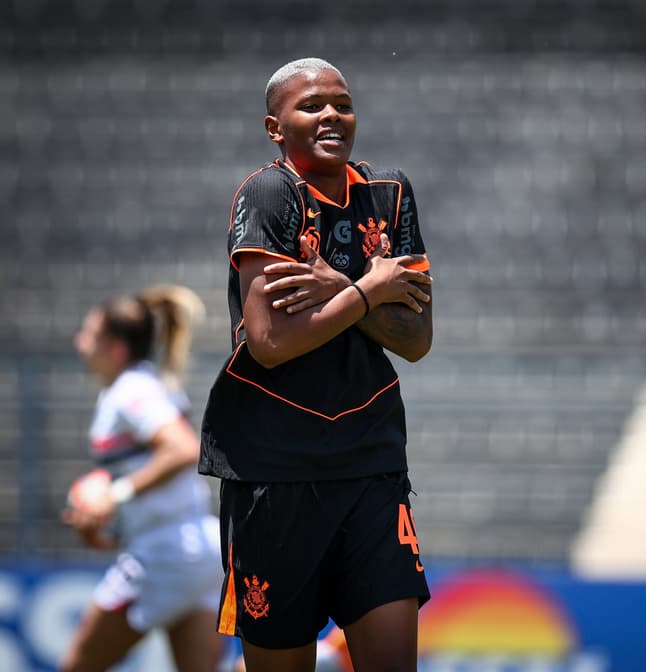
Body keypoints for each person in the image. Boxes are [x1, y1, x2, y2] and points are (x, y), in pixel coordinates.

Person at [199, 57, 434, 671]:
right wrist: (362, 291)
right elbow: (269, 342)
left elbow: (415, 338)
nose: (332, 113)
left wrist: (336, 287)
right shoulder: (269, 192)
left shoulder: (389, 191)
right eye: (311, 105)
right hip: (275, 472)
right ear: (275, 127)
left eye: (342, 103)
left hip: (372, 463)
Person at [61, 285, 225, 672]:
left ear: (116, 348)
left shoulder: (131, 390)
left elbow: (183, 448)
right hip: (199, 551)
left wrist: (112, 496)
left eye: (89, 334)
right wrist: (105, 518)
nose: (79, 343)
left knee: (76, 666)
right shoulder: (141, 384)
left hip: (165, 552)